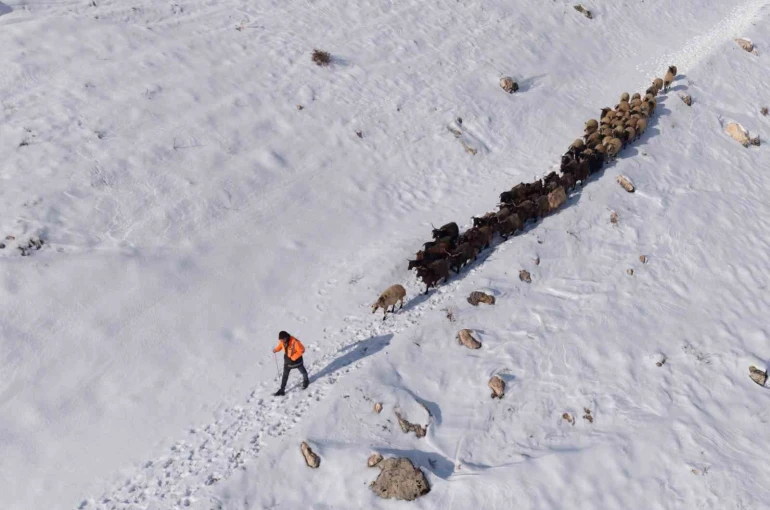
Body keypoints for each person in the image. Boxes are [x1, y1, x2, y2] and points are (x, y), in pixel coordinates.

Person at [272, 331, 309, 396]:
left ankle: (306, 381)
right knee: (284, 376)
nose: (281, 341)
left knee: (303, 372)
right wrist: (276, 350)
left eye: (282, 339)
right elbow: (280, 346)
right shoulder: (282, 341)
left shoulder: (295, 342)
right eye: (280, 340)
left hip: (297, 361)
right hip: (287, 362)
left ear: (286, 337)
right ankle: (282, 390)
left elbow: (302, 350)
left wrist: (294, 357)